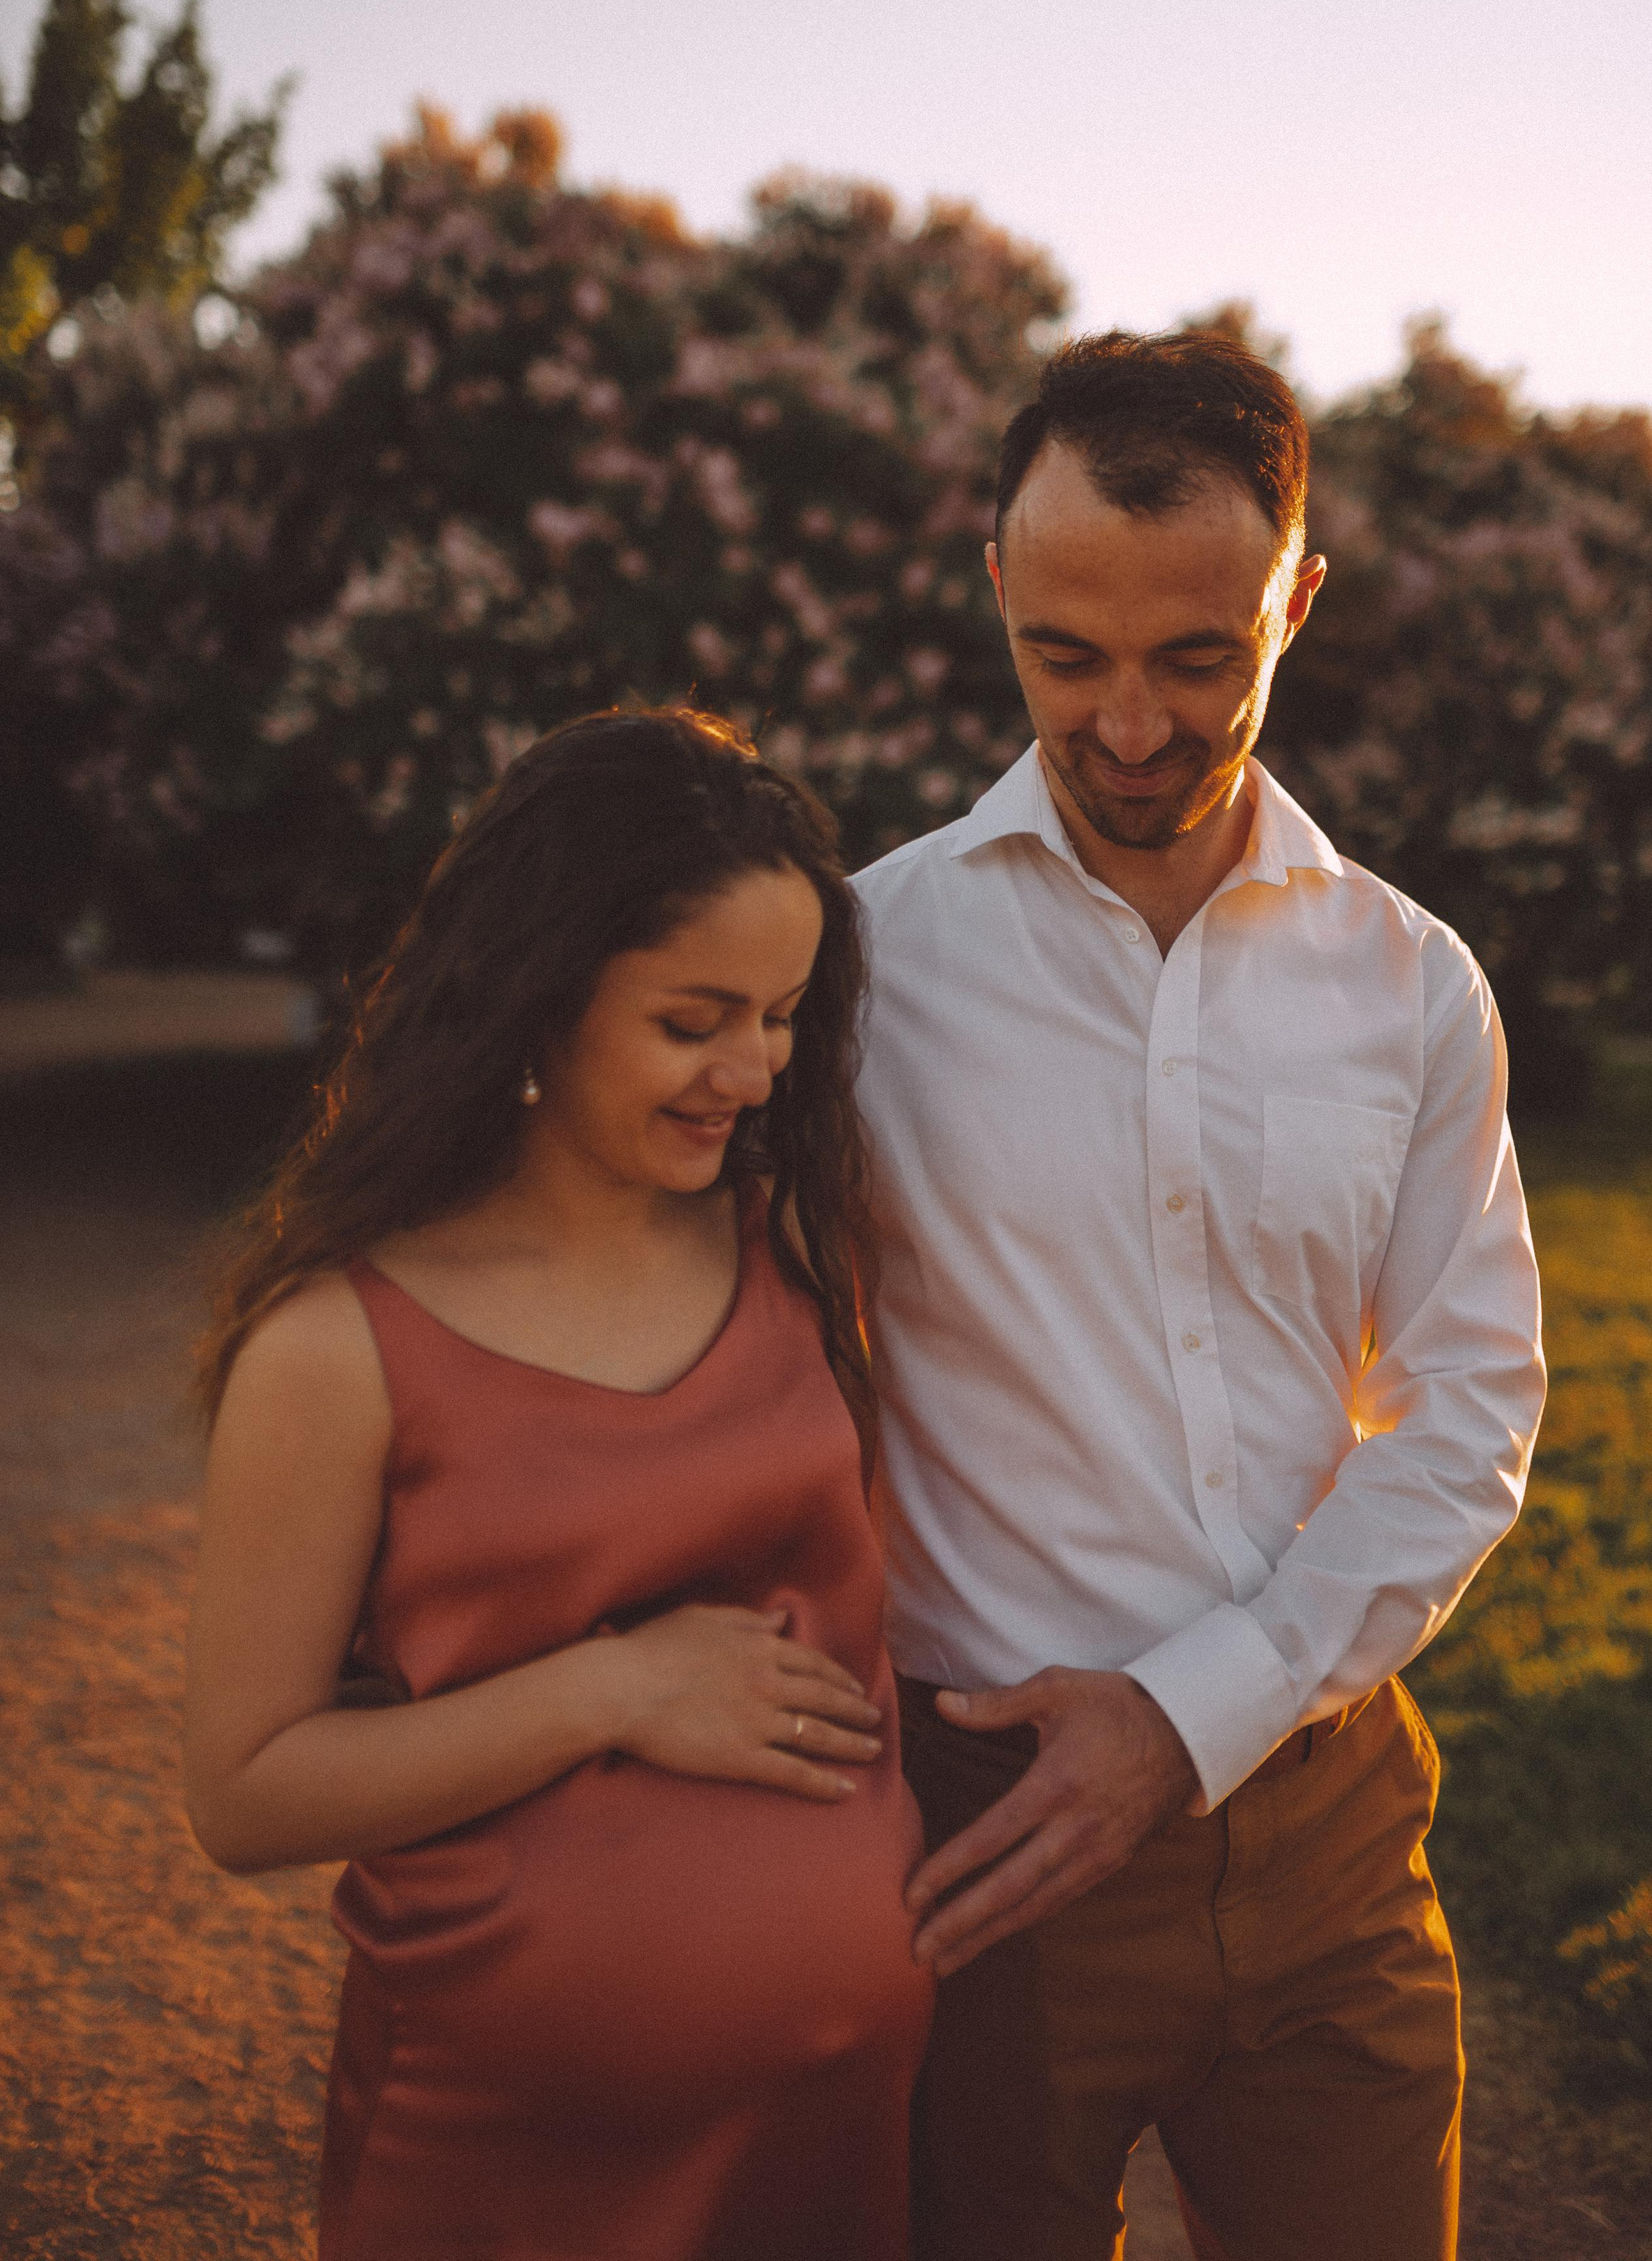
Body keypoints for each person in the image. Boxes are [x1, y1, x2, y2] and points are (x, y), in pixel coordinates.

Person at [852, 330, 1547, 2261]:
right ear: (996, 585)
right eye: (1064, 655)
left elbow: (1470, 1415)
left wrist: (1192, 1716)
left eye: (1196, 657)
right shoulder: (861, 965)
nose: (1131, 724)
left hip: (1332, 1833)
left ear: (1294, 602)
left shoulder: (1411, 984)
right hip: (985, 1845)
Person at [184, 708, 932, 2261]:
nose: (754, 1070)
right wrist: (613, 1689)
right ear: (536, 994)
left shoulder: (805, 1246)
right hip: (502, 2169)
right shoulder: (337, 1347)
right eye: (694, 1021)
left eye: (783, 1015)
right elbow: (245, 1792)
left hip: (829, 2146)